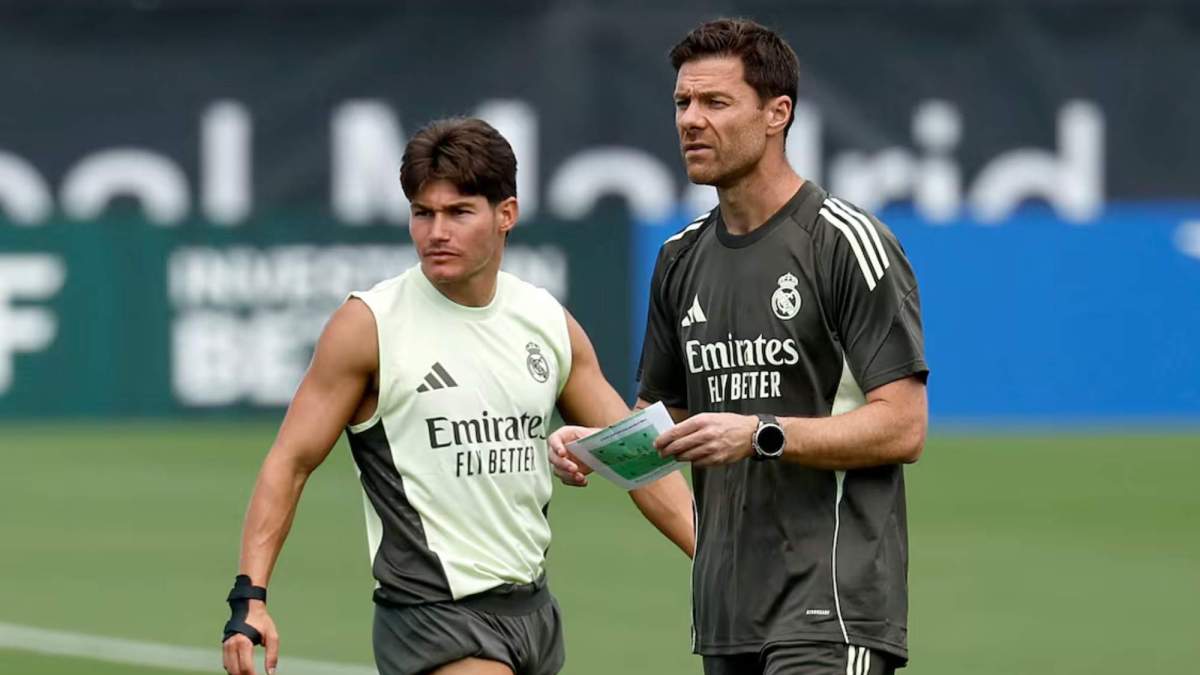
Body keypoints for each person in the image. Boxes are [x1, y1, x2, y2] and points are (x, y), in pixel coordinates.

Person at [220, 117, 694, 675]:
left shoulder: (546, 321)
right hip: (431, 618)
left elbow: (634, 457)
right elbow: (290, 462)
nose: (435, 232)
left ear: (506, 216)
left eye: (458, 212)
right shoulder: (368, 325)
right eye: (423, 213)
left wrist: (713, 559)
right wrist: (250, 597)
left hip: (534, 613)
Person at [549, 18, 929, 675]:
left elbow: (904, 424)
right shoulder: (679, 258)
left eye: (715, 102)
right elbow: (658, 433)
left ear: (777, 113)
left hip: (832, 605)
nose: (690, 120)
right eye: (682, 103)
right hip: (726, 615)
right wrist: (596, 447)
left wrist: (762, 433)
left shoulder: (842, 241)